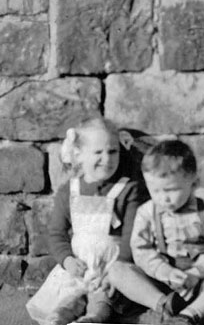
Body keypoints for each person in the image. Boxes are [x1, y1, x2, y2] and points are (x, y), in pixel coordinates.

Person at [108, 140, 204, 325]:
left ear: (193, 181)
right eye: (156, 191)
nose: (164, 198)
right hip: (160, 282)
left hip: (199, 282)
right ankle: (163, 306)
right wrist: (164, 271)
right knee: (116, 270)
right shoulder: (147, 212)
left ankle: (188, 316)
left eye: (172, 190)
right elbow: (141, 249)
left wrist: (197, 272)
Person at [43, 117, 143, 324]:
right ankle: (61, 315)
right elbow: (56, 233)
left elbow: (131, 236)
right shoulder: (68, 191)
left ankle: (94, 318)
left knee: (103, 299)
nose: (107, 159)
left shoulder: (127, 189)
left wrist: (117, 271)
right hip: (80, 266)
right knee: (71, 297)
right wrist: (67, 260)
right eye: (98, 152)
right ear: (79, 155)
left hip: (114, 265)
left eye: (112, 151)